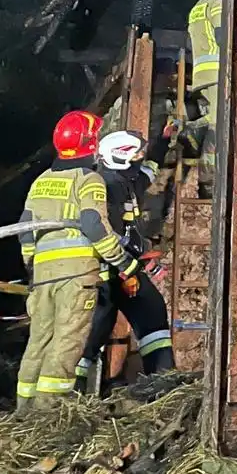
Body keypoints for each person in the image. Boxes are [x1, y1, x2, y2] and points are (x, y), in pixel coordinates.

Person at [16, 111, 142, 411]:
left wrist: (33, 268)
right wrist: (126, 265)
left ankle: (23, 410)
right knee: (67, 342)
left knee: (38, 342)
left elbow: (25, 230)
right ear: (90, 144)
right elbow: (94, 226)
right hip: (76, 276)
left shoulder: (42, 181)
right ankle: (49, 412)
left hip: (42, 276)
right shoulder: (89, 179)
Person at [76, 129, 177, 386]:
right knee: (95, 328)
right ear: (122, 158)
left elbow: (150, 170)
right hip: (104, 274)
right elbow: (111, 234)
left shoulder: (128, 180)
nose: (141, 158)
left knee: (152, 312)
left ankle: (163, 384)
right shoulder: (106, 186)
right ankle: (69, 394)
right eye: (137, 154)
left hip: (127, 267)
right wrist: (137, 261)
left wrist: (163, 140)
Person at [186, 0, 225, 196]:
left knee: (214, 119)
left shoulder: (199, 5)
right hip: (219, 71)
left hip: (203, 73)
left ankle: (188, 127)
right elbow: (224, 37)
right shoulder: (220, 3)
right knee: (218, 126)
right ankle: (209, 184)